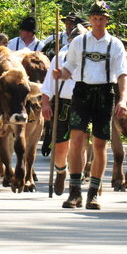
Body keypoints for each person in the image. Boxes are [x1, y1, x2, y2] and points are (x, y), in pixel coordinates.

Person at [53, 0, 127, 210]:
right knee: (76, 139)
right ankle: (74, 192)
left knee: (99, 144)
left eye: (101, 19)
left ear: (106, 21)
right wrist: (62, 74)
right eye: (94, 18)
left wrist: (122, 99)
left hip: (105, 93)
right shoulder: (79, 43)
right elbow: (69, 68)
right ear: (90, 19)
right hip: (82, 92)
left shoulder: (115, 45)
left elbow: (123, 74)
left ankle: (93, 193)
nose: (98, 22)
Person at [41, 24, 87, 195]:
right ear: (69, 41)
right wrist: (45, 104)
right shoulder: (59, 58)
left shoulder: (90, 59)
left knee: (79, 145)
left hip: (83, 104)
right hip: (63, 105)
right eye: (75, 40)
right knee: (60, 147)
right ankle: (61, 172)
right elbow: (47, 85)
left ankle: (77, 180)